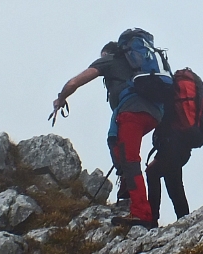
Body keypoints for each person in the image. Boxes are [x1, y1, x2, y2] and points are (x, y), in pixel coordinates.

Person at [51, 40, 161, 228]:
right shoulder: (139, 66)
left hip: (132, 112)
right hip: (155, 113)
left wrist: (61, 98)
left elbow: (75, 82)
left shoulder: (109, 60)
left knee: (130, 159)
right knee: (118, 144)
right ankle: (128, 191)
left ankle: (141, 213)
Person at [146, 126, 192, 224]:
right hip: (180, 149)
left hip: (170, 147)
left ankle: (152, 218)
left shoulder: (168, 111)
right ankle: (184, 218)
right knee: (174, 184)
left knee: (152, 172)